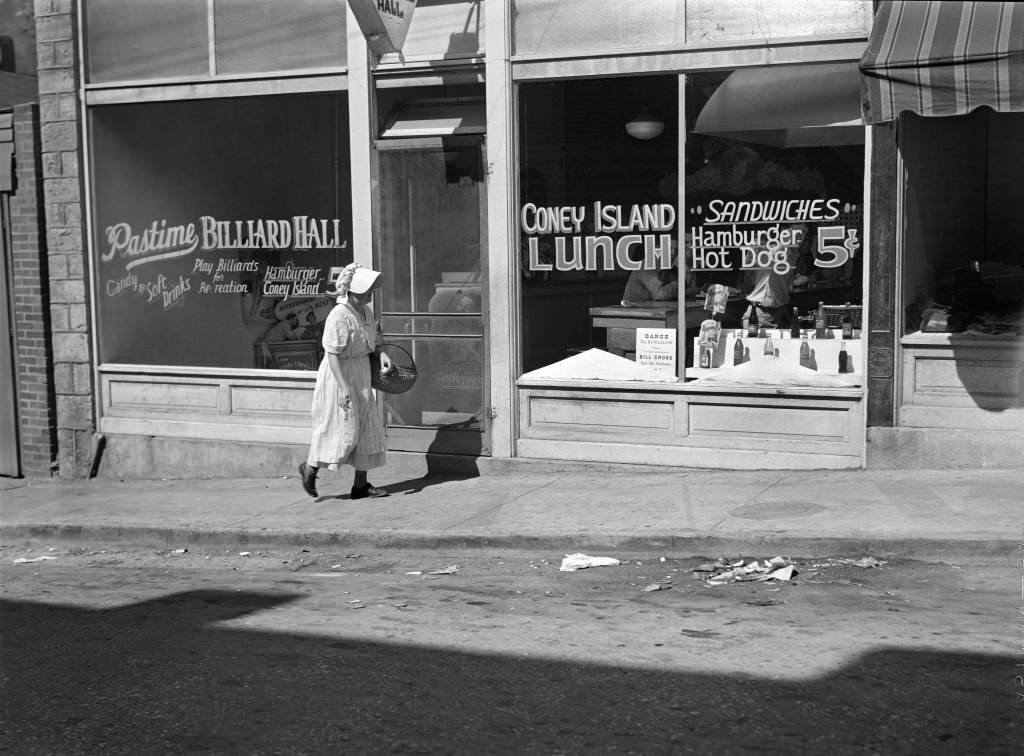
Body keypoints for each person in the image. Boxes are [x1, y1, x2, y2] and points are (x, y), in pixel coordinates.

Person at [299, 263, 393, 499]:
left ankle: (361, 485)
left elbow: (374, 342)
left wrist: (381, 355)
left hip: (361, 374)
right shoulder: (338, 315)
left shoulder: (366, 313)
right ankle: (310, 468)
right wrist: (343, 388)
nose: (371, 293)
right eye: (368, 288)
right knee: (339, 430)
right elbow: (332, 354)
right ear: (356, 289)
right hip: (339, 375)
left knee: (367, 427)